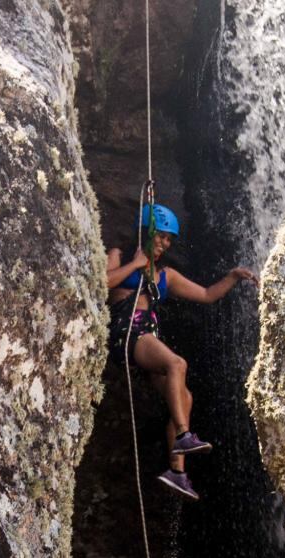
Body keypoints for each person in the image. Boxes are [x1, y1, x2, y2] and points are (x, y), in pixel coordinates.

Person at [106, 203, 258, 501]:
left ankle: (177, 472)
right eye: (161, 236)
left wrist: (233, 276)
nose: (165, 244)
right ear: (145, 232)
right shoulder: (119, 255)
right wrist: (136, 265)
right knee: (177, 363)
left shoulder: (165, 275)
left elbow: (206, 294)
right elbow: (102, 283)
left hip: (146, 339)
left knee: (185, 396)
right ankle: (183, 435)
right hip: (126, 334)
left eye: (169, 240)